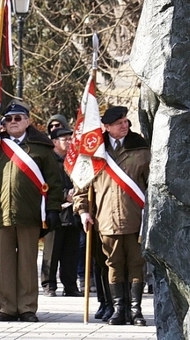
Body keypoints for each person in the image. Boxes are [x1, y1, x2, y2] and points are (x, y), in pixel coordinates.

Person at [0, 102, 63, 322]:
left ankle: (27, 307)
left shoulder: (41, 148)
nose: (14, 122)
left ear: (28, 121)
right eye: (9, 119)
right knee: (3, 263)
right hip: (0, 212)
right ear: (2, 124)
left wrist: (53, 209)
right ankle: (7, 307)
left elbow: (54, 181)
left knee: (27, 263)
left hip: (30, 214)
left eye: (18, 118)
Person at [75, 106, 151, 326]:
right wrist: (82, 211)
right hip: (106, 219)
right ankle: (118, 309)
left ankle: (135, 311)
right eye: (119, 123)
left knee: (136, 265)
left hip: (136, 217)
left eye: (126, 121)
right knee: (113, 264)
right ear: (106, 127)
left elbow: (152, 185)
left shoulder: (140, 148)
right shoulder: (95, 151)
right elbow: (82, 186)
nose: (125, 125)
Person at [41, 127, 81, 297]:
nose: (69, 142)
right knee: (51, 252)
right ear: (55, 142)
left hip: (73, 214)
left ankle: (70, 285)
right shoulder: (49, 161)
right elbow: (46, 186)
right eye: (65, 139)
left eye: (71, 139)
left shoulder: (74, 162)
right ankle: (48, 284)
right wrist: (65, 195)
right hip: (55, 212)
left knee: (71, 253)